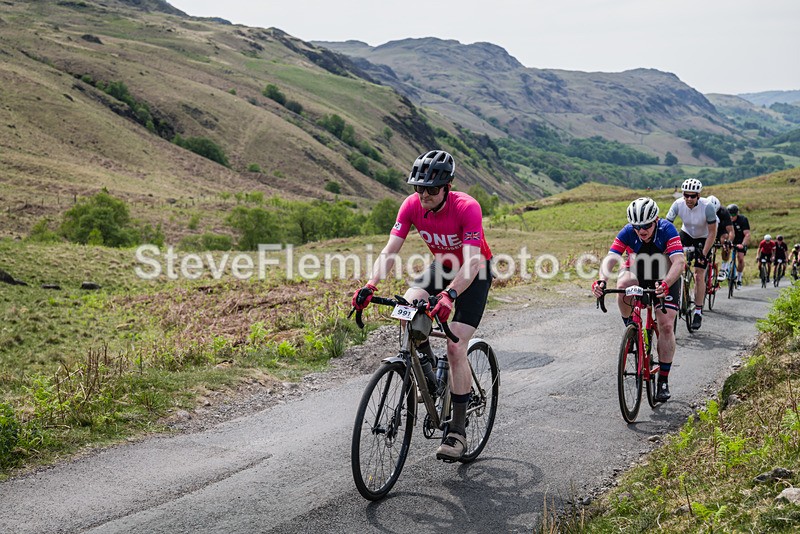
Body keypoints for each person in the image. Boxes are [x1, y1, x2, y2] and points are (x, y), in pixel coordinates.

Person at [351, 150, 493, 462]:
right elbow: (390, 251)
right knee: (408, 305)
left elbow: (470, 264)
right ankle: (430, 375)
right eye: (419, 187)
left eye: (431, 189)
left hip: (474, 272)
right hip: (442, 266)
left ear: (448, 186)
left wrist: (450, 296)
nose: (424, 194)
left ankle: (457, 430)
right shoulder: (412, 205)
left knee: (456, 347)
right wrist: (370, 285)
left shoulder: (467, 207)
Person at [592, 197, 685, 402]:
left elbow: (679, 262)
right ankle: (631, 329)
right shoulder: (627, 232)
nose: (641, 230)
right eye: (637, 226)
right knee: (623, 285)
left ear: (656, 221)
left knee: (666, 325)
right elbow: (611, 258)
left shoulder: (667, 229)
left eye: (646, 226)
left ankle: (663, 380)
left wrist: (666, 283)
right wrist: (601, 280)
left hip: (665, 273)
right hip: (638, 269)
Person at [665, 178, 716, 330]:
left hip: (703, 238)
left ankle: (698, 311)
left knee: (699, 274)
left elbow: (713, 233)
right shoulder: (678, 204)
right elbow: (667, 225)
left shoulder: (708, 207)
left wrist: (704, 253)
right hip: (686, 234)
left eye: (692, 196)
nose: (688, 199)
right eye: (686, 195)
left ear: (698, 196)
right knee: (672, 263)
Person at [706, 195, 734, 280]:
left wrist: (728, 242)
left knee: (724, 240)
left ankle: (724, 267)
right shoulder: (702, 209)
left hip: (721, 230)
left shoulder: (724, 212)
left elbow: (731, 231)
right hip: (708, 230)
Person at [727, 204, 751, 288]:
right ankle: (726, 268)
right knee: (726, 253)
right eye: (729, 215)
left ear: (737, 214)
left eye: (733, 215)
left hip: (741, 240)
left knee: (740, 258)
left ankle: (739, 277)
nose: (731, 217)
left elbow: (747, 234)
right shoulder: (726, 220)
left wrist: (743, 244)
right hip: (730, 240)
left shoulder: (743, 220)